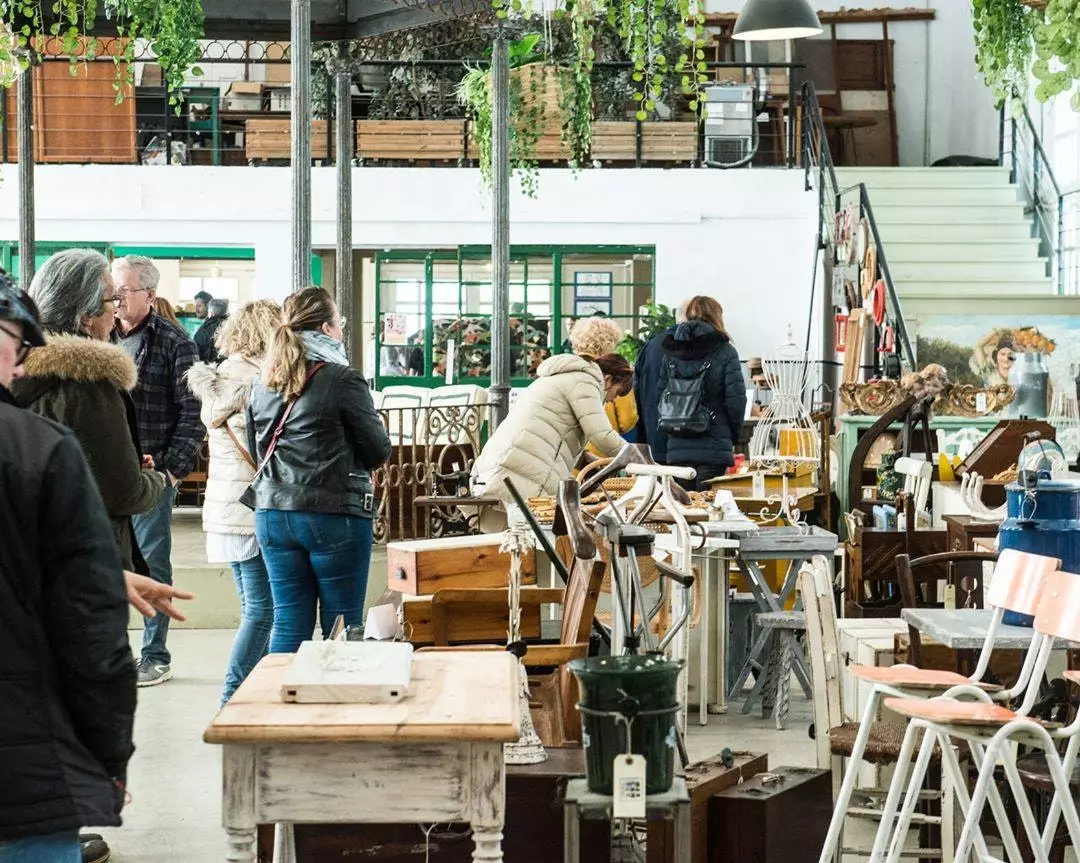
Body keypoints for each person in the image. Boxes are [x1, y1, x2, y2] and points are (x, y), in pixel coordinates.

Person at [246, 287, 391, 653]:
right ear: (327, 328)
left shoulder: (262, 384)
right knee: (342, 622)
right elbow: (377, 450)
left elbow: (258, 450)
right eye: (339, 322)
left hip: (273, 514)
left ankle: (278, 705)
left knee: (289, 619)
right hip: (333, 516)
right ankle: (337, 706)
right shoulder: (343, 379)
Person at [13, 249, 167, 579]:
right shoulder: (89, 384)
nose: (117, 311)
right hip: (83, 566)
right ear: (87, 316)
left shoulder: (11, 370)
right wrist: (154, 480)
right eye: (113, 300)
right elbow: (122, 492)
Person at [112, 254, 205, 687]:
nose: (115, 299)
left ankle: (155, 655)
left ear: (149, 294)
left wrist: (171, 471)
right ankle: (113, 654)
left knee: (151, 564)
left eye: (124, 291)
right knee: (108, 560)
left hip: (152, 475)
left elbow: (193, 413)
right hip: (106, 472)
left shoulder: (175, 342)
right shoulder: (99, 335)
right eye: (111, 290)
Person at [188, 300, 281, 706]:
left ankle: (246, 696)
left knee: (256, 609)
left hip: (227, 506)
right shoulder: (255, 382)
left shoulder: (224, 377)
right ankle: (232, 697)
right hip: (249, 508)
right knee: (263, 611)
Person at [471, 353, 632, 531]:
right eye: (616, 393)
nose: (611, 400)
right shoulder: (586, 381)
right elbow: (602, 435)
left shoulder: (561, 377)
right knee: (537, 542)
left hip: (503, 462)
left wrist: (584, 457)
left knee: (510, 544)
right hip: (522, 467)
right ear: (608, 379)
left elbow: (553, 428)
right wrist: (635, 456)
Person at [657, 296, 746, 490]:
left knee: (681, 509)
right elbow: (736, 401)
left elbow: (661, 396)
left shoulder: (672, 352)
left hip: (677, 445)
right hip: (713, 446)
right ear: (716, 317)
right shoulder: (725, 351)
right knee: (709, 510)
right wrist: (732, 435)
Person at [568, 315, 639, 445]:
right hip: (604, 450)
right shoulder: (616, 373)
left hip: (573, 451)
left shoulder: (569, 368)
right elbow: (627, 420)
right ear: (610, 344)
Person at [634, 302, 686, 461]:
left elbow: (636, 390)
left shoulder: (651, 346)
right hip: (691, 448)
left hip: (653, 442)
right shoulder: (704, 347)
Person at [194, 297, 230, 365]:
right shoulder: (232, 327)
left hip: (207, 369)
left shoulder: (203, 330)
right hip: (227, 368)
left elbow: (196, 354)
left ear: (211, 312)